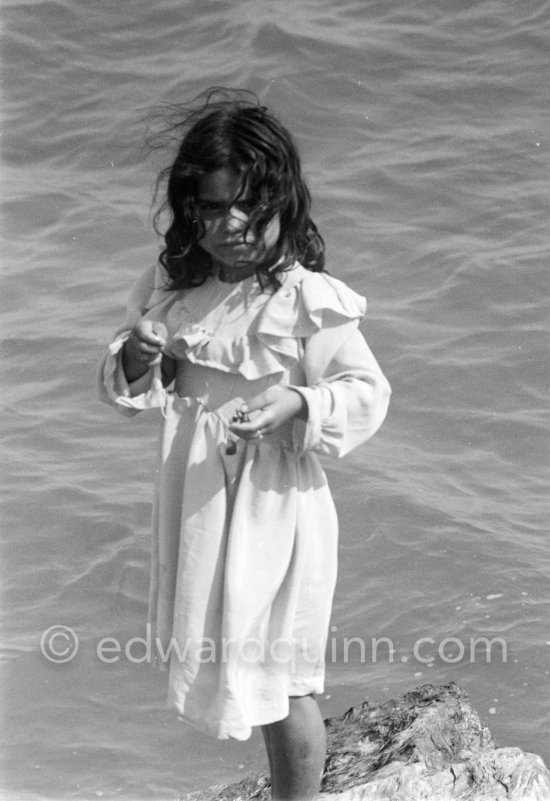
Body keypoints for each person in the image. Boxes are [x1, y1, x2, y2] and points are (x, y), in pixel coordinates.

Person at [98, 88, 391, 800]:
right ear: (188, 207)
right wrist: (139, 354)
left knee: (283, 677)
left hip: (275, 511)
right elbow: (129, 384)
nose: (229, 224)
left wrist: (298, 400)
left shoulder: (304, 300)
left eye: (247, 206)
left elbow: (367, 393)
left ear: (282, 201)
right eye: (210, 206)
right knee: (241, 664)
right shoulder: (175, 284)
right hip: (201, 503)